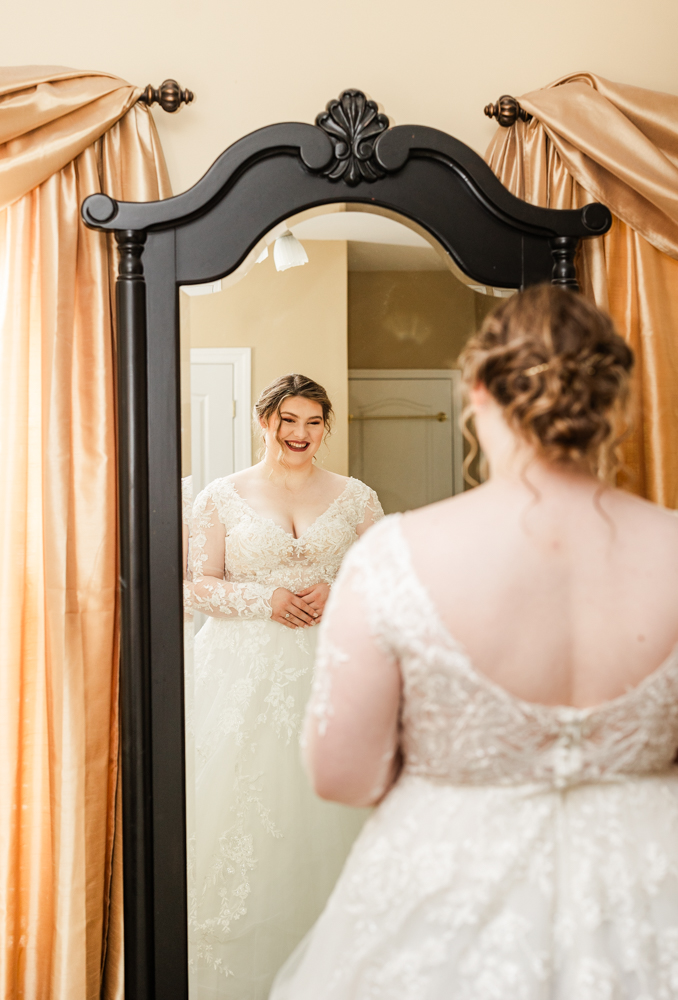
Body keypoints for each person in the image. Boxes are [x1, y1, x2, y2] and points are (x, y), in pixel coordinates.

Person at [271, 286, 678, 999]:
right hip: (651, 884)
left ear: (478, 390)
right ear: (612, 400)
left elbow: (343, 775)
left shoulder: (394, 554)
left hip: (444, 885)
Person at [187, 374, 383, 998]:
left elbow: (386, 575)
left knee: (329, 808)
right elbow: (197, 584)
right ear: (263, 420)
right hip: (240, 675)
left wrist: (342, 587)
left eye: (313, 422)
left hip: (333, 667)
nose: (300, 434)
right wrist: (265, 598)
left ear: (326, 427)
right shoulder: (221, 496)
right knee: (241, 810)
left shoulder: (356, 497)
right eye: (287, 420)